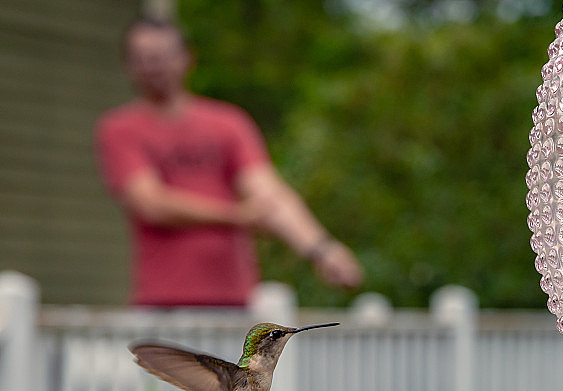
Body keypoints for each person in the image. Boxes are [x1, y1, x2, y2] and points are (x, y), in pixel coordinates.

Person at [95, 17, 363, 306]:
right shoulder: (119, 129)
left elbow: (268, 193)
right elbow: (151, 204)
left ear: (187, 58)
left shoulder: (229, 123)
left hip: (236, 301)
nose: (152, 67)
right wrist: (238, 216)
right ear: (128, 66)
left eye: (160, 57)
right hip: (163, 303)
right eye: (142, 59)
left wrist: (322, 249)